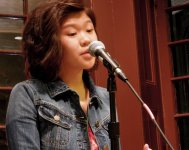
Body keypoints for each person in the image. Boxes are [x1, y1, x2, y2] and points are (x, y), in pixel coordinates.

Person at [6, 0, 152, 149]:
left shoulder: (105, 97)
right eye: (72, 33)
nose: (86, 40)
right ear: (49, 43)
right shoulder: (27, 94)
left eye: (89, 30)